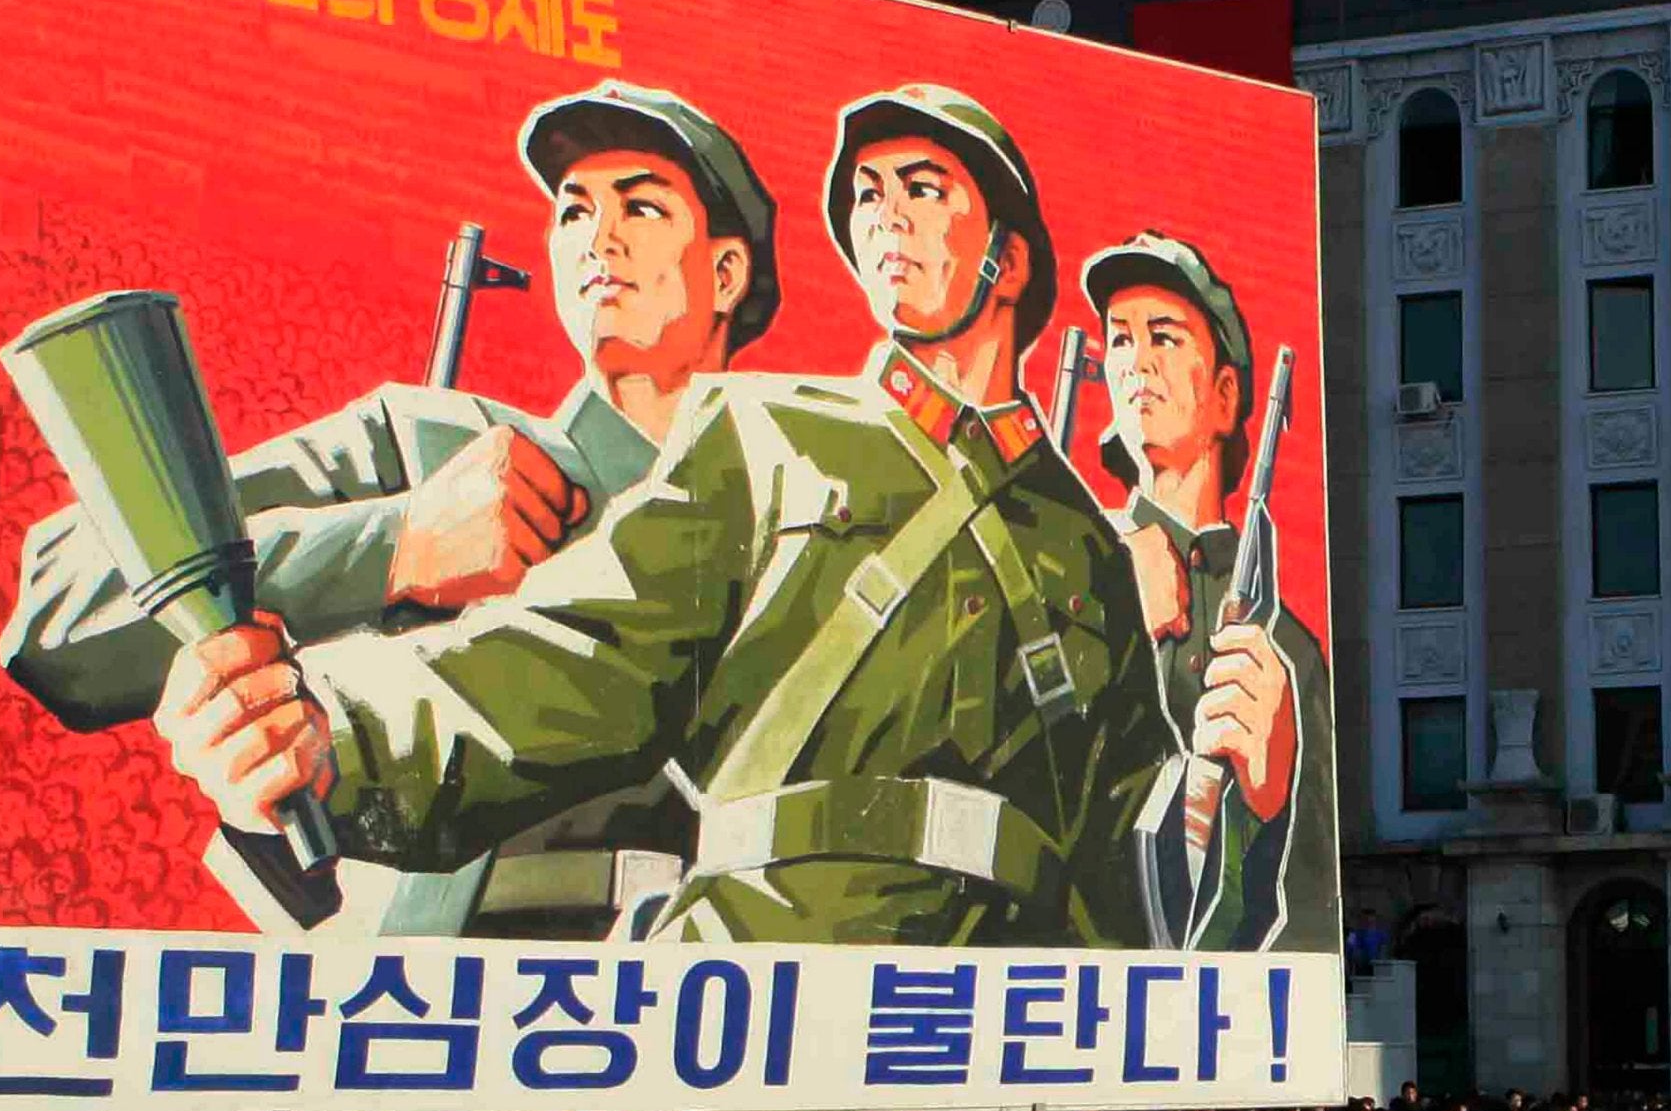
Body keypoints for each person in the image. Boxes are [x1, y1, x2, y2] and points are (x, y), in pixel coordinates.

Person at [148, 83, 1177, 948]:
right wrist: (338, 739)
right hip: (769, 960)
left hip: (997, 996)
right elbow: (584, 656)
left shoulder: (1083, 542)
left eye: (922, 189)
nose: (886, 216)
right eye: (865, 194)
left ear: (1007, 259)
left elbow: (1122, 841)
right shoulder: (765, 427)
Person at [0, 80, 781, 937]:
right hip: (448, 994)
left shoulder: (808, 509)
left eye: (640, 207)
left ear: (727, 271)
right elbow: (62, 601)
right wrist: (393, 543)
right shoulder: (432, 445)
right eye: (572, 211)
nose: (598, 238)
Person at [1081, 232, 1334, 951]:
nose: (1137, 364)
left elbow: (1314, 904)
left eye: (1164, 337)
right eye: (1120, 342)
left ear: (1226, 394)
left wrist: (1271, 797)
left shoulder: (1288, 651)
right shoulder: (1071, 562)